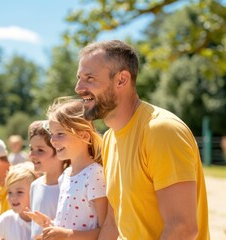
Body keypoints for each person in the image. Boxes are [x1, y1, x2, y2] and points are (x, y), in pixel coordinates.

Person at [75, 40, 209, 239]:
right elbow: (113, 221)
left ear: (121, 80)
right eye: (79, 78)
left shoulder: (161, 131)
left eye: (90, 78)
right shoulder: (111, 139)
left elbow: (182, 228)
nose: (78, 88)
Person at [25, 98, 107, 240]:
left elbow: (107, 230)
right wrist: (49, 225)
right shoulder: (65, 175)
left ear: (83, 136)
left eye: (60, 134)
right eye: (52, 134)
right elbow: (68, 226)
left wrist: (67, 235)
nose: (53, 140)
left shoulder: (94, 174)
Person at [27, 120, 69, 240]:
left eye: (40, 150)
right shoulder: (35, 185)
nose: (32, 155)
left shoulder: (68, 186)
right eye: (31, 149)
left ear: (59, 151)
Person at [0, 164, 37, 240]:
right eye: (9, 192)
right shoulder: (6, 219)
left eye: (19, 192)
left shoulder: (42, 221)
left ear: (34, 192)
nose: (12, 197)